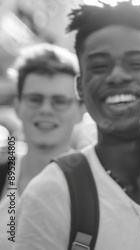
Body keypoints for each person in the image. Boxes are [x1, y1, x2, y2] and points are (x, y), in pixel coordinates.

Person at [14, 2, 140, 250]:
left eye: (135, 63)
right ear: (80, 87)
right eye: (100, 66)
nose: (117, 76)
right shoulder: (51, 194)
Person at [0, 43, 83, 249]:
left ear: (81, 109)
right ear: (17, 106)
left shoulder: (94, 187)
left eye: (60, 101)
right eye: (35, 99)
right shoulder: (3, 172)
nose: (46, 109)